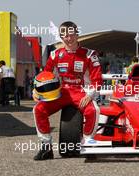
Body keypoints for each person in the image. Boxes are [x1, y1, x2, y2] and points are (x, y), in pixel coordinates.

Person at [32, 21, 103, 160]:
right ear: (61, 37)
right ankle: (46, 147)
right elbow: (45, 76)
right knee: (38, 109)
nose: (68, 38)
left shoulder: (90, 54)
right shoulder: (55, 54)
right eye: (65, 36)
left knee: (93, 110)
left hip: (82, 91)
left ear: (77, 35)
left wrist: (90, 95)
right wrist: (37, 91)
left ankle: (88, 145)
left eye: (71, 35)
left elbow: (97, 79)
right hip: (62, 92)